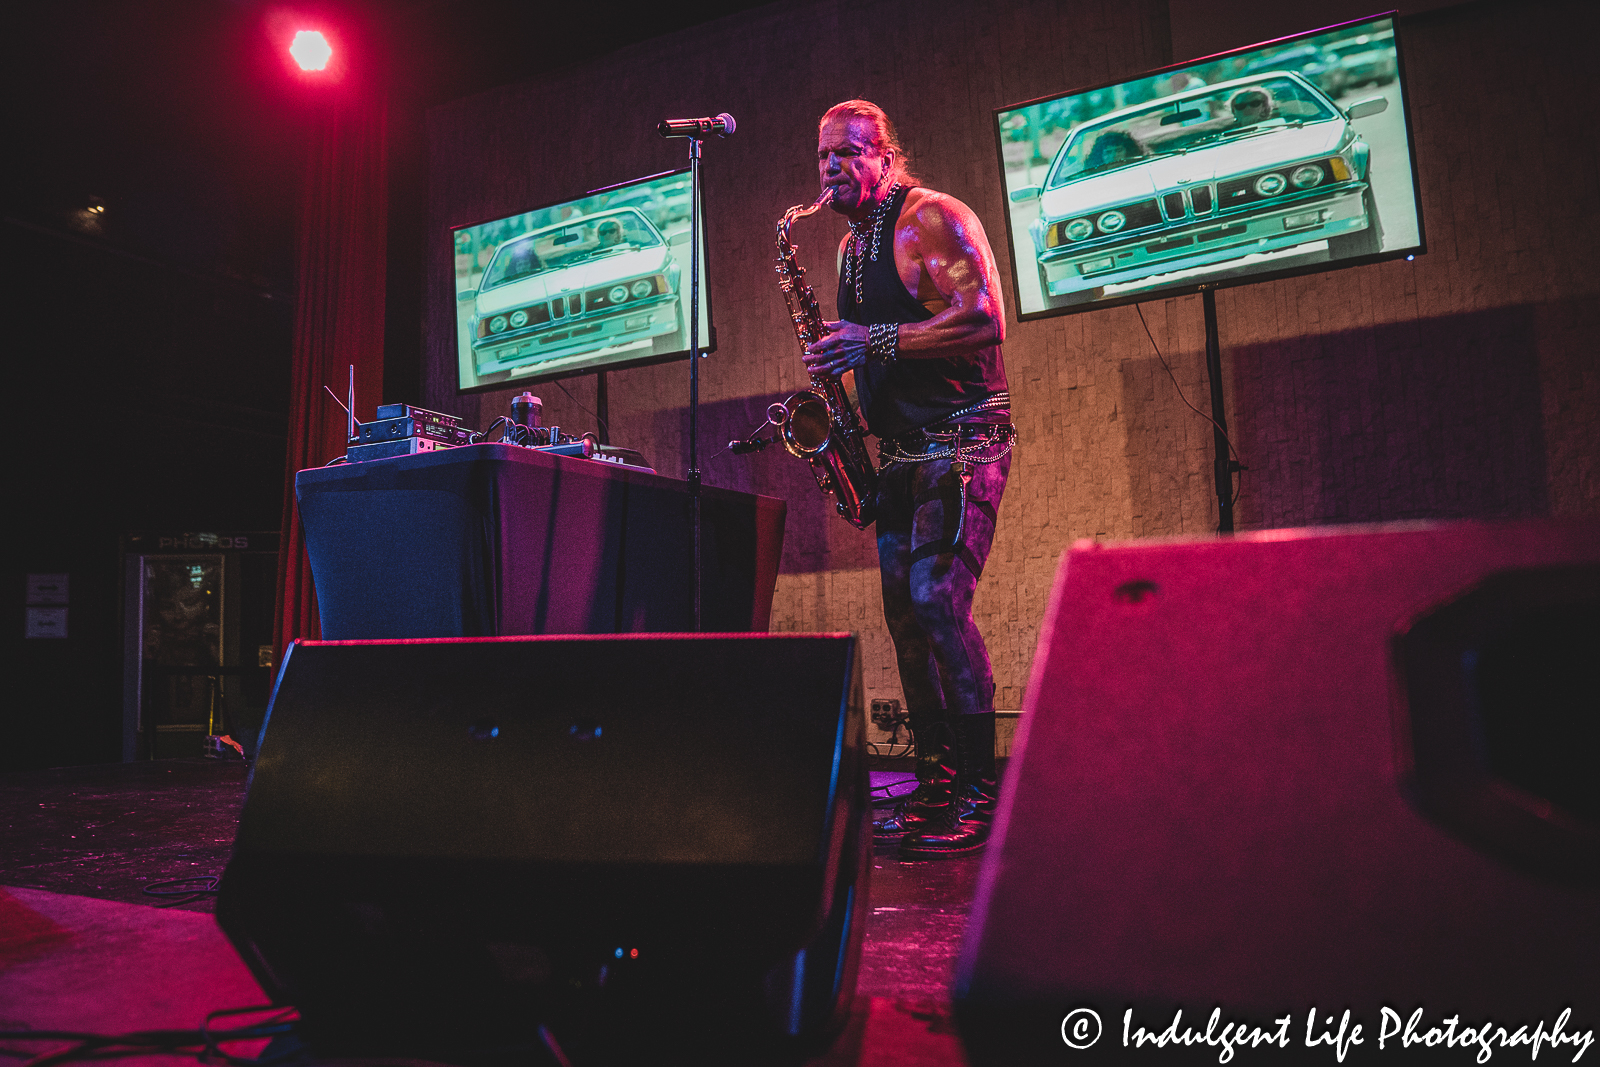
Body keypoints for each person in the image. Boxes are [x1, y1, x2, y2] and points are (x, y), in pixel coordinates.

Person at [802, 100, 1014, 859]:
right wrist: (836, 385)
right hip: (896, 452)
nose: (831, 168)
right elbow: (869, 354)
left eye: (848, 153)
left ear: (887, 156)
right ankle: (934, 783)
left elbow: (985, 316)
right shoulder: (845, 251)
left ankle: (982, 796)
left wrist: (876, 339)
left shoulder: (934, 217)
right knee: (903, 618)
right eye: (824, 155)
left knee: (936, 601)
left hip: (966, 439)